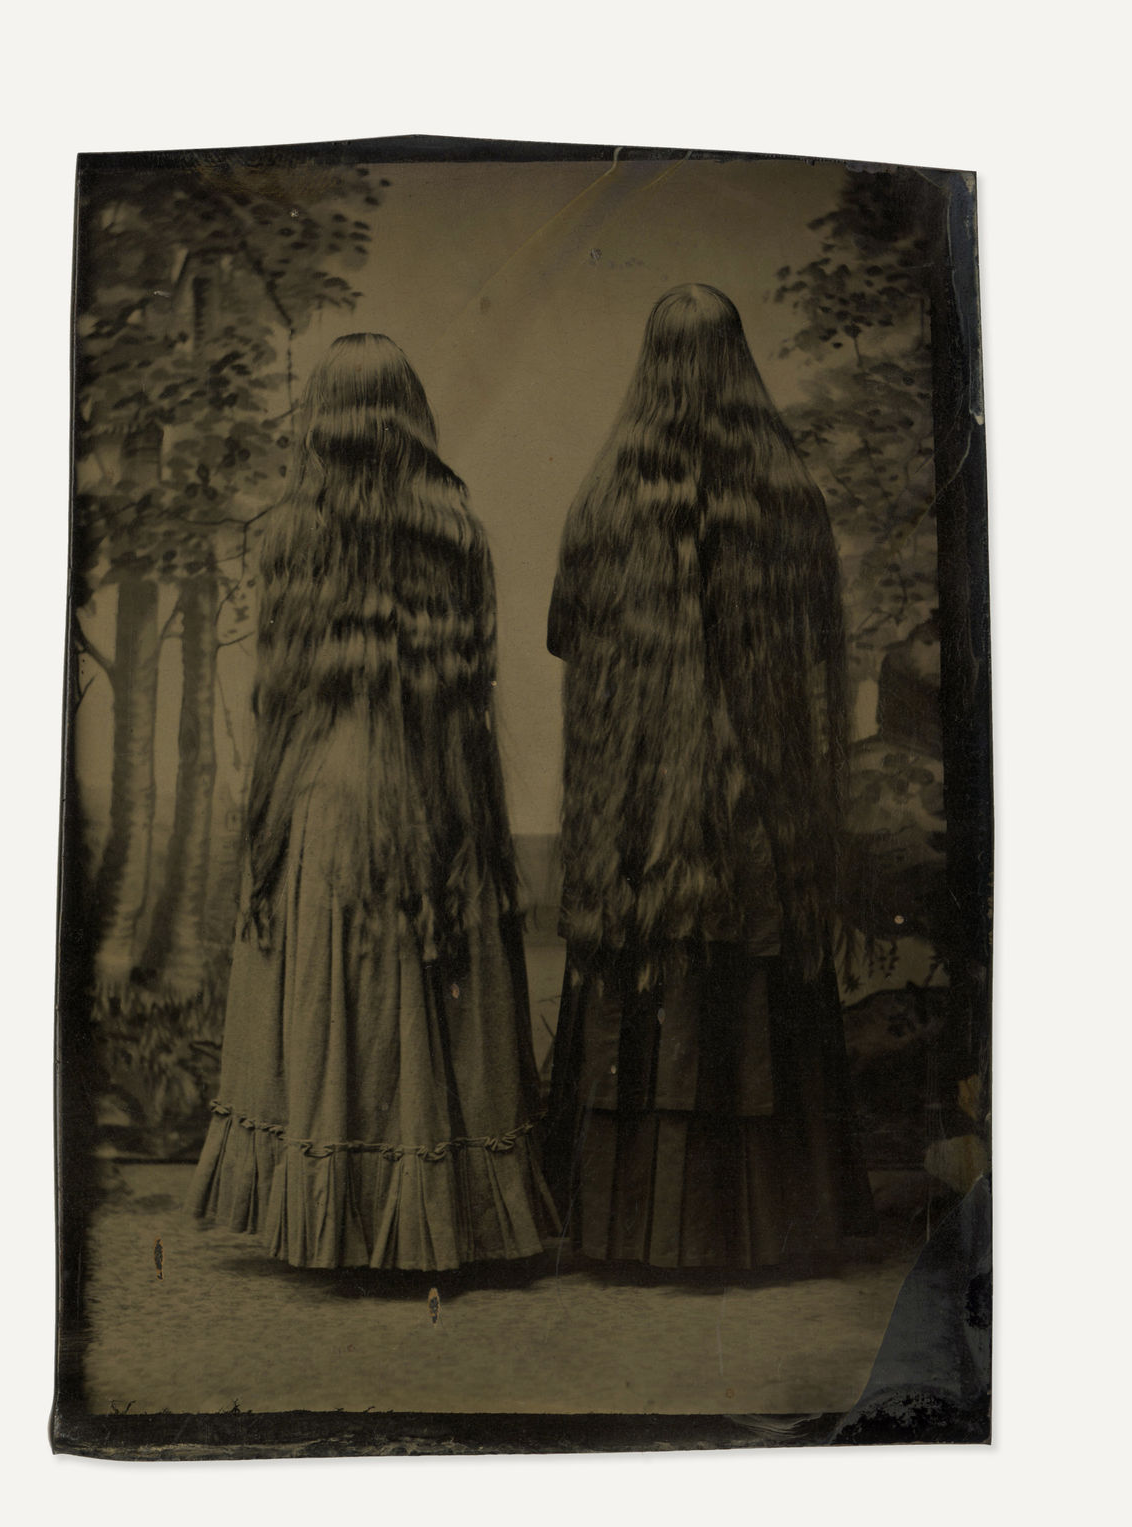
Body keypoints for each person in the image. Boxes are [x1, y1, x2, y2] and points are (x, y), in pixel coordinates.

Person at [190, 334, 556, 1273]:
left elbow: (280, 698)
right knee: (430, 987)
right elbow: (467, 695)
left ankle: (334, 1219)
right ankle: (438, 1213)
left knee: (331, 990)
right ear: (410, 417)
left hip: (324, 790)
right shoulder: (455, 530)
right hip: (435, 786)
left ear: (320, 420)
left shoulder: (286, 534)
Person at [544, 284, 874, 1273]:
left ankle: (620, 1231)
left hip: (635, 805)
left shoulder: (601, 502)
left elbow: (564, 634)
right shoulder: (787, 498)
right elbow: (820, 657)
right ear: (741, 366)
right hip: (757, 804)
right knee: (754, 968)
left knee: (642, 975)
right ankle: (773, 1222)